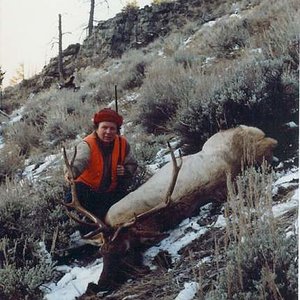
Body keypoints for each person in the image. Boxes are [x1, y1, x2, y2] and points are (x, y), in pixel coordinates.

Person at [64, 108, 137, 220]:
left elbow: (132, 164)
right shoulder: (87, 144)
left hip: (109, 194)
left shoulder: (123, 144)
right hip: (88, 193)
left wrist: (126, 170)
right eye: (104, 127)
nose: (108, 132)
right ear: (97, 128)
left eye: (112, 128)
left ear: (117, 130)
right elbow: (78, 162)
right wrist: (72, 172)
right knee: (74, 204)